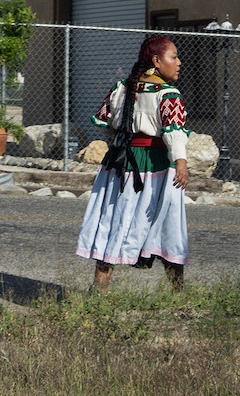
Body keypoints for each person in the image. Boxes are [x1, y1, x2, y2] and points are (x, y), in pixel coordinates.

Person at [74, 35, 189, 293]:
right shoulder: (168, 94)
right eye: (174, 57)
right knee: (166, 222)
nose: (179, 63)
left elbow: (108, 124)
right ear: (157, 61)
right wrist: (181, 162)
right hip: (156, 165)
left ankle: (99, 289)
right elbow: (174, 133)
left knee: (114, 219)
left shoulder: (123, 88)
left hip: (120, 164)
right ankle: (179, 293)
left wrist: (124, 143)